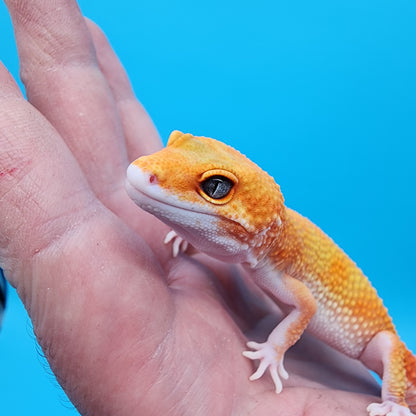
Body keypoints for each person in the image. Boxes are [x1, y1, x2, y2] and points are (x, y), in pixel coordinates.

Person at [0, 0, 381, 414]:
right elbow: (231, 243)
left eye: (214, 187)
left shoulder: (274, 265)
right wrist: (196, 238)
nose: (148, 173)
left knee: (388, 353)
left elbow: (302, 304)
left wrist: (275, 350)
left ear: (260, 223)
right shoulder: (254, 245)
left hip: (377, 349)